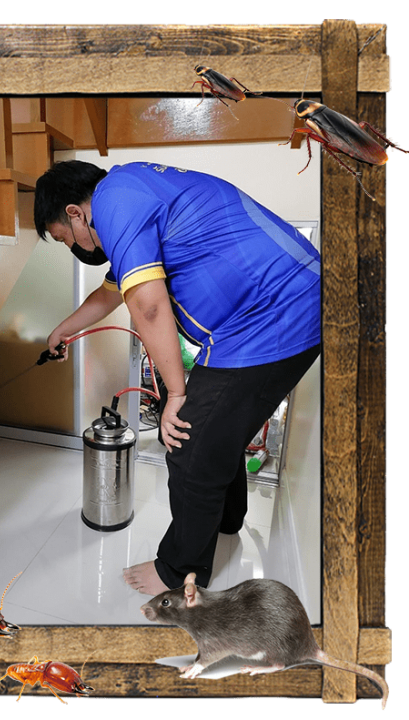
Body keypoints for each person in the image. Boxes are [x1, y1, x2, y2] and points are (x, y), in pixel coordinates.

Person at [34, 159, 321, 596]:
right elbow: (109, 295)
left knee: (188, 442)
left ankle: (178, 569)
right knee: (216, 432)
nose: (71, 246)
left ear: (75, 213)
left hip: (274, 315)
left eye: (63, 238)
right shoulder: (133, 192)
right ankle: (227, 521)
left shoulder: (115, 200)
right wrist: (62, 330)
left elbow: (148, 307)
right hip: (273, 312)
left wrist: (176, 394)